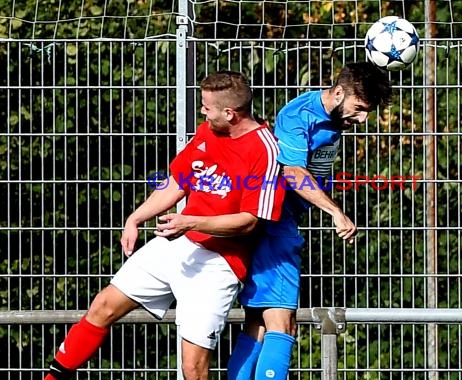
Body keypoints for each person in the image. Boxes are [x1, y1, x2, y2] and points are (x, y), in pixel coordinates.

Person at [45, 70, 285, 380]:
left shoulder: (265, 150)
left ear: (231, 113)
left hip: (219, 264)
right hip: (178, 245)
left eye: (207, 107)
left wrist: (192, 221)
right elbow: (178, 182)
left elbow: (249, 222)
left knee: (192, 367)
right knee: (102, 307)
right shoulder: (208, 132)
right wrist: (136, 218)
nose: (202, 112)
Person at [227, 62, 393, 380]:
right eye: (359, 108)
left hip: (273, 223)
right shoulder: (298, 115)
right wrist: (335, 211)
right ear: (339, 92)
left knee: (257, 325)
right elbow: (293, 173)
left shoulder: (333, 117)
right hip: (273, 225)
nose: (362, 119)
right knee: (282, 325)